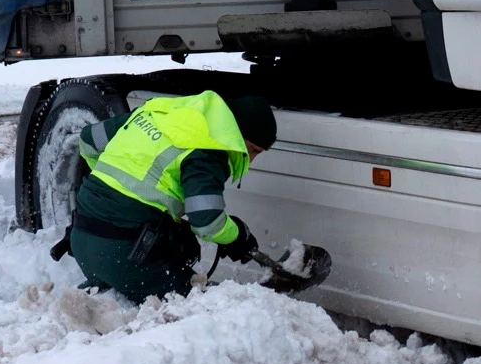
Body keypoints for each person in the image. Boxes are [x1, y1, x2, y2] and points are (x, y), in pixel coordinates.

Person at [61, 89, 328, 301]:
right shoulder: (208, 149)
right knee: (201, 306)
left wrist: (110, 188)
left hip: (82, 240)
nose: (252, 159)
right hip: (125, 256)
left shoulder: (161, 113)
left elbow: (88, 140)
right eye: (253, 150)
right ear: (237, 135)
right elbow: (207, 222)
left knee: (176, 234)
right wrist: (238, 237)